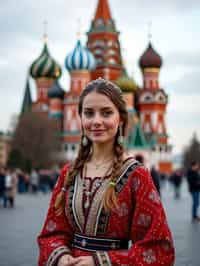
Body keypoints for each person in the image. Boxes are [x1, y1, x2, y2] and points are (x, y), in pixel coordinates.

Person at [37, 78, 175, 266]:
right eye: (88, 113)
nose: (96, 121)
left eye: (106, 113)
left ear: (121, 119)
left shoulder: (136, 175)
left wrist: (100, 261)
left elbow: (158, 248)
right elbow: (52, 233)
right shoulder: (69, 173)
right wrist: (60, 256)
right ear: (81, 118)